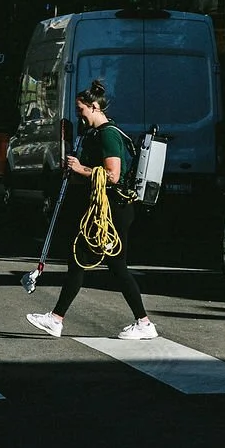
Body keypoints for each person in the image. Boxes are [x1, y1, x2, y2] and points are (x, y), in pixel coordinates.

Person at [26, 80, 157, 341]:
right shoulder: (94, 134)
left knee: (99, 262)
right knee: (95, 262)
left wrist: (80, 169)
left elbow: (113, 175)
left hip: (115, 210)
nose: (79, 116)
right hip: (107, 209)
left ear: (94, 107)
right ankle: (58, 319)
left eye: (81, 111)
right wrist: (74, 173)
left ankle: (58, 319)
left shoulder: (108, 134)